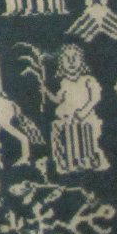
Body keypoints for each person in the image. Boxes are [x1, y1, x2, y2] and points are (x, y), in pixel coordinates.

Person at [45, 43, 108, 174]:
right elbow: (58, 100)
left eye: (75, 57)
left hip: (87, 117)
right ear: (61, 63)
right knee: (70, 134)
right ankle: (73, 160)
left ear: (81, 60)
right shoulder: (64, 82)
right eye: (67, 58)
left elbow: (94, 98)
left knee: (86, 133)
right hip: (69, 119)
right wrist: (45, 91)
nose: (71, 61)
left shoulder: (88, 80)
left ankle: (89, 158)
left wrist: (83, 113)